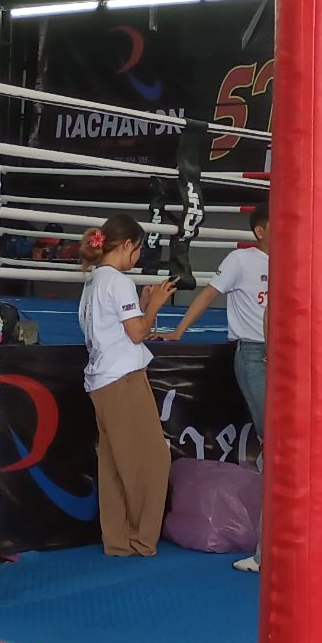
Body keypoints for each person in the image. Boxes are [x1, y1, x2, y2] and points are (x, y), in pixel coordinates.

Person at [162, 203, 272, 572]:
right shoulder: (241, 260)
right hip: (255, 354)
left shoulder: (295, 260)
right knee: (275, 444)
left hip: (289, 354)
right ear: (260, 230)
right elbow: (209, 294)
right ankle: (267, 548)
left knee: (286, 445)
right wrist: (179, 331)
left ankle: (274, 545)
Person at [78, 214, 175, 558]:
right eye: (139, 249)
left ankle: (118, 540)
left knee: (114, 464)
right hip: (123, 379)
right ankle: (141, 539)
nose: (139, 257)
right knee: (153, 461)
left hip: (101, 380)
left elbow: (118, 329)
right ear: (129, 245)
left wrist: (144, 306)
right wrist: (156, 304)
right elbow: (137, 333)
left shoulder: (93, 282)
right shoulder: (118, 282)